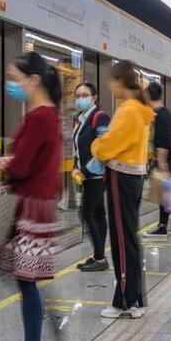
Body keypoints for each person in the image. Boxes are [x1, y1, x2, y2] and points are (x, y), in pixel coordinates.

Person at [0, 51, 62, 341]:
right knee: (27, 280)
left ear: (33, 80)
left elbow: (22, 167)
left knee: (26, 281)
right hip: (38, 208)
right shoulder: (49, 115)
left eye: (14, 79)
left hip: (30, 211)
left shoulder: (39, 117)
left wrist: (7, 163)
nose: (11, 85)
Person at [91, 62, 154, 319]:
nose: (111, 87)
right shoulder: (140, 109)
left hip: (121, 177)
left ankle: (125, 301)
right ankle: (134, 298)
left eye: (112, 82)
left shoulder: (129, 110)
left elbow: (107, 146)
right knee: (128, 237)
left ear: (120, 81)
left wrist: (96, 146)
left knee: (121, 239)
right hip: (133, 177)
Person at [72, 81, 111, 271]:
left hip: (96, 175)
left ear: (94, 97)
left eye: (84, 95)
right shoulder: (80, 119)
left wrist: (84, 170)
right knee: (98, 214)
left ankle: (100, 257)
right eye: (77, 96)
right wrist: (75, 166)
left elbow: (103, 149)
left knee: (86, 214)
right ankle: (99, 256)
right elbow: (78, 149)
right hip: (87, 176)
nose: (80, 99)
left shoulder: (100, 117)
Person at [144, 81, 171, 237]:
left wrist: (161, 162)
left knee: (164, 195)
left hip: (163, 160)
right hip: (163, 159)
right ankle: (162, 225)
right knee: (165, 194)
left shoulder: (161, 115)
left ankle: (162, 226)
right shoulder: (164, 113)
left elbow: (163, 140)